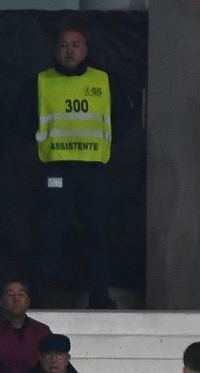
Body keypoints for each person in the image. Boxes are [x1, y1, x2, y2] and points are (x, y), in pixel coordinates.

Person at [31, 25, 118, 310]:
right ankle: (41, 295)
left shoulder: (103, 80)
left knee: (97, 234)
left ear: (86, 49)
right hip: (56, 170)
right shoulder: (42, 81)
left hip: (93, 170)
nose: (69, 51)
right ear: (56, 50)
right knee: (49, 234)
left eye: (75, 45)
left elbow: (124, 117)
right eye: (63, 45)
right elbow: (21, 120)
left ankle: (100, 294)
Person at [0, 279, 52, 373]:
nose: (16, 299)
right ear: (1, 302)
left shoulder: (42, 331)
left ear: (28, 302)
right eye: (10, 295)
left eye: (21, 294)